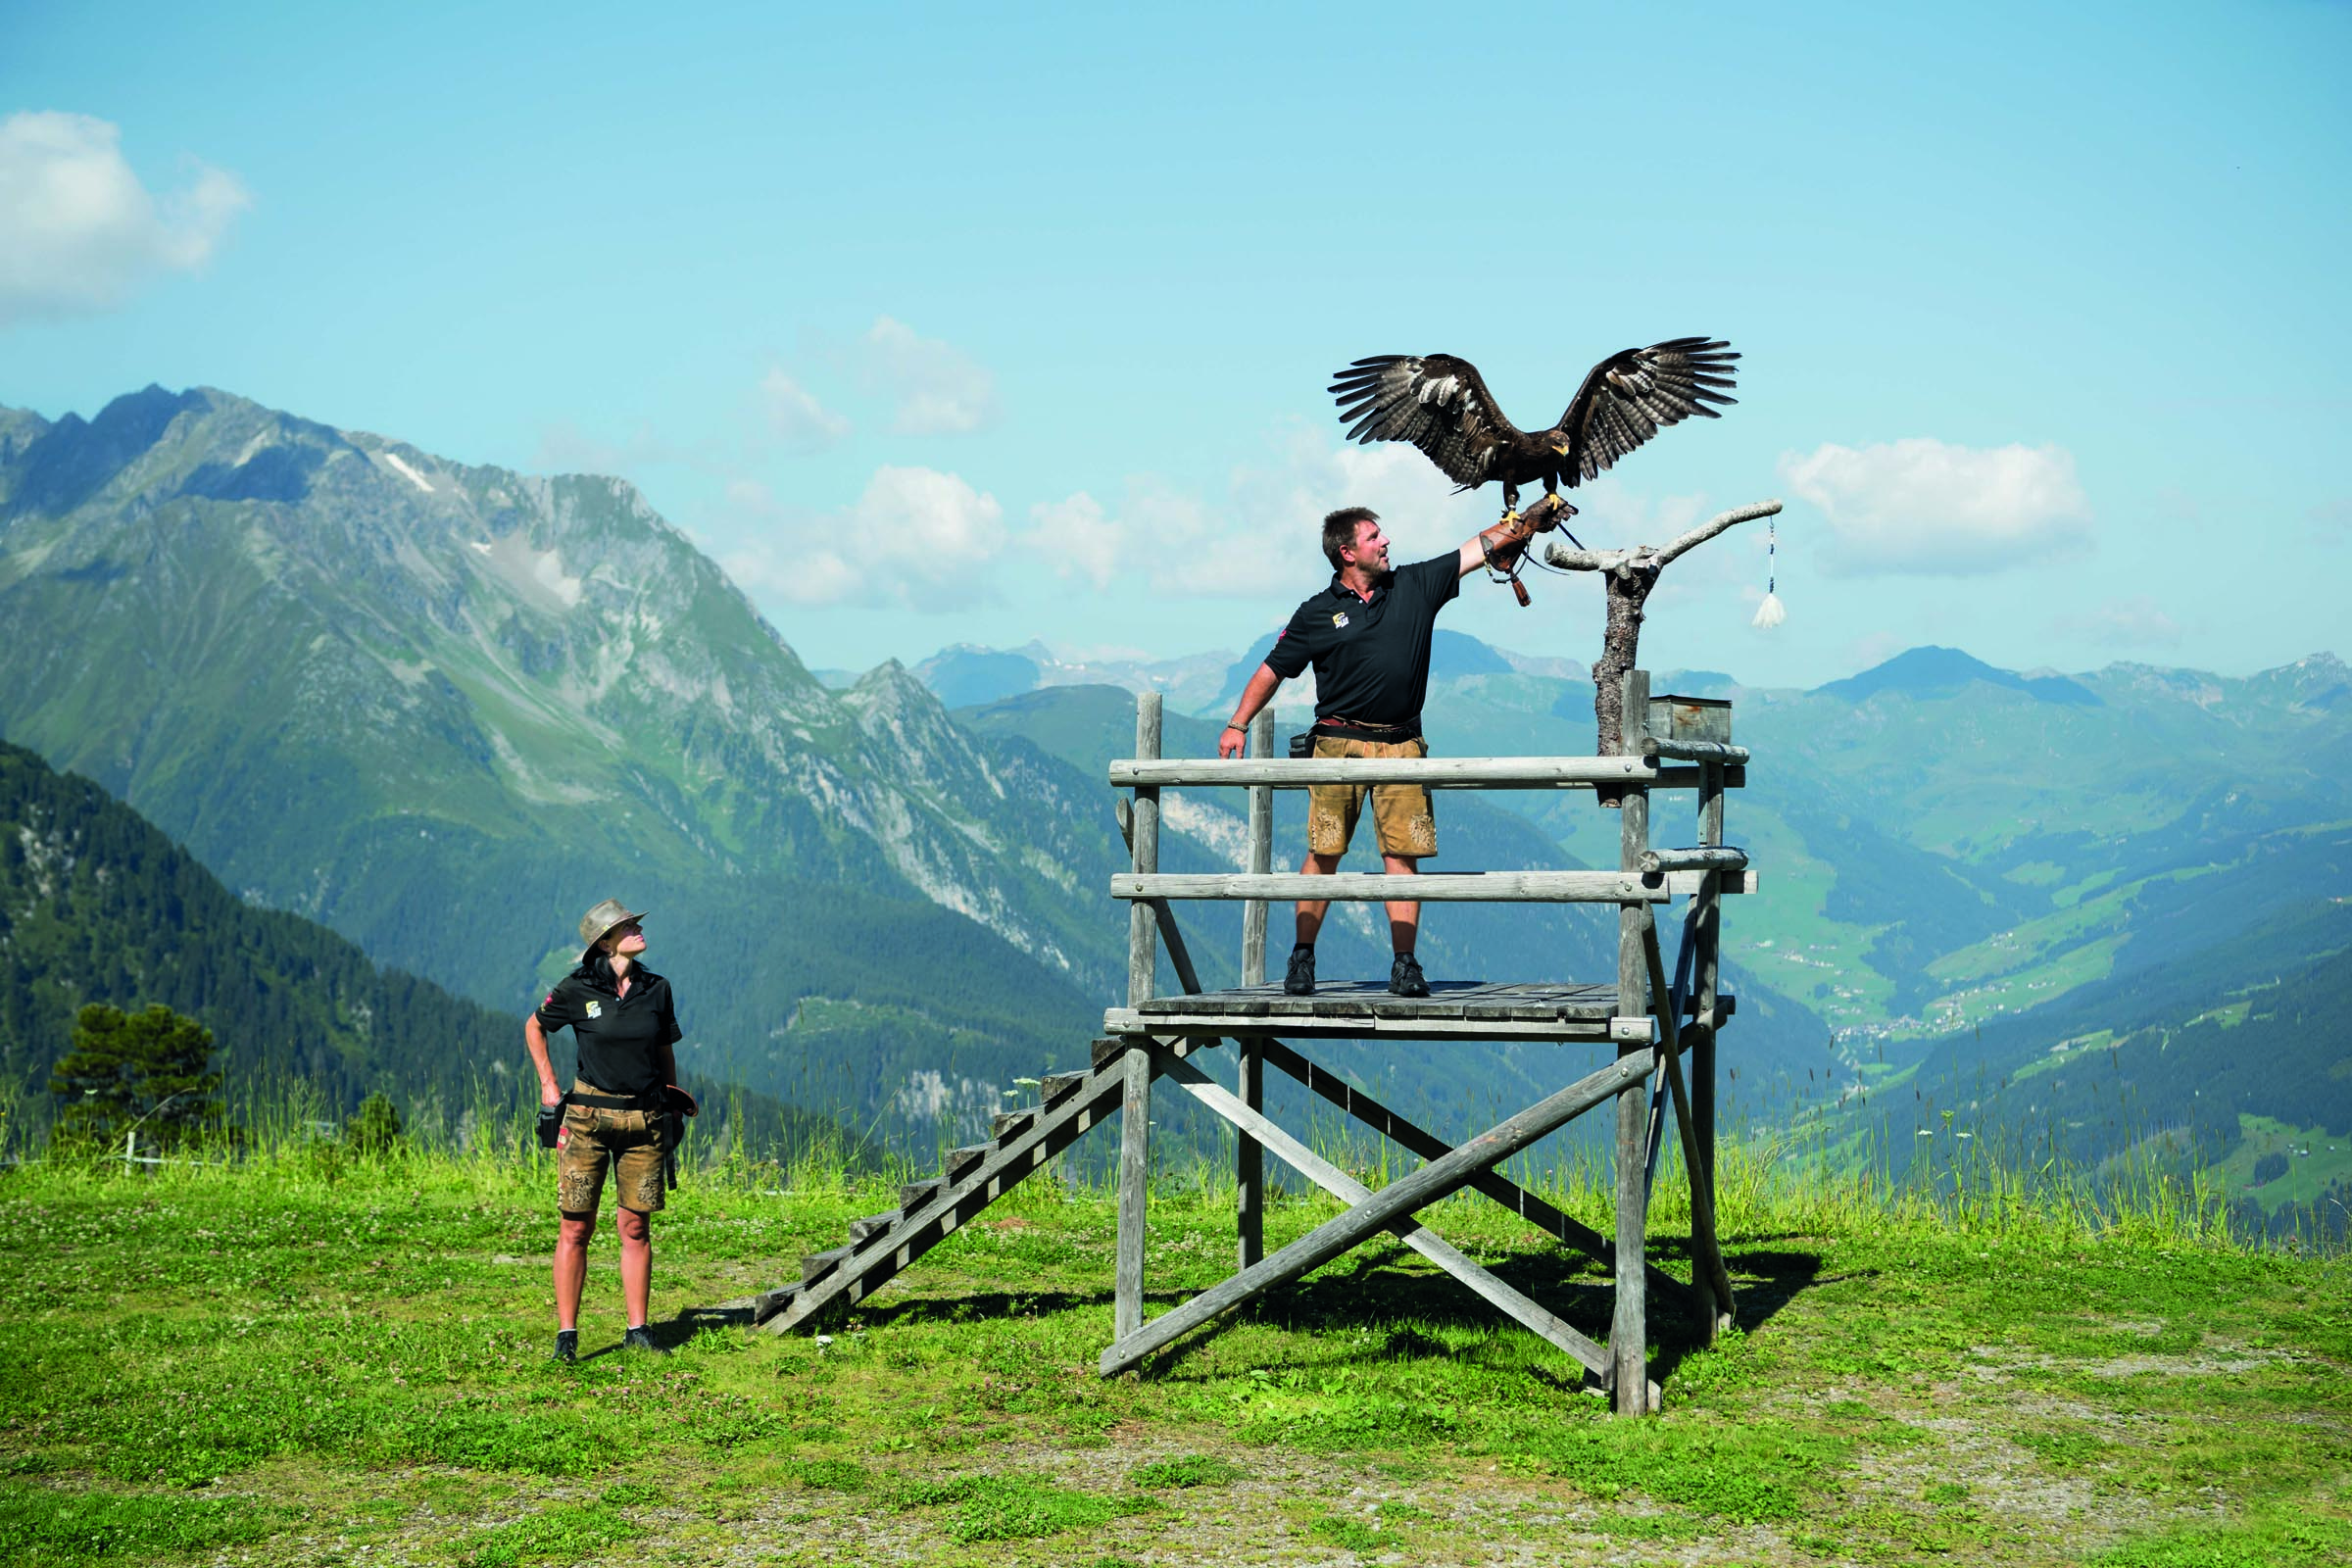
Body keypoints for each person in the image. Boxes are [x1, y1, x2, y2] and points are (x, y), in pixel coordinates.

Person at [1217, 503, 1555, 997]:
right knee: (1324, 851)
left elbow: (1477, 549)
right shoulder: (1316, 612)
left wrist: (1521, 521)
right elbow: (1273, 669)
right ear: (1347, 552)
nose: (1386, 542)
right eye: (1374, 537)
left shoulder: (1414, 585)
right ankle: (1302, 958)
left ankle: (1405, 965)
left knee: (1403, 855)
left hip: (1402, 744)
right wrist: (1237, 723)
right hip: (1337, 745)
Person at [524, 898, 686, 1361]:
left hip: (644, 1121)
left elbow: (665, 1051)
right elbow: (535, 1027)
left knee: (636, 1226)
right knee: (576, 1227)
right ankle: (566, 1335)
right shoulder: (576, 988)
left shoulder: (657, 988)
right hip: (586, 1123)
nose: (638, 929)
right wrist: (549, 1085)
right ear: (606, 942)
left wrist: (672, 1103)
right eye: (627, 926)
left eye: (634, 923)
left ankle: (638, 1330)